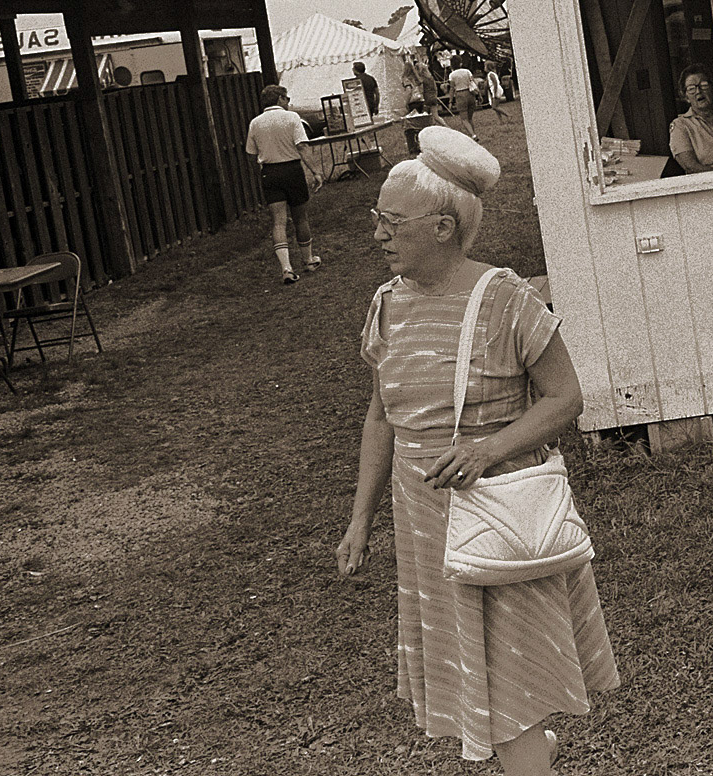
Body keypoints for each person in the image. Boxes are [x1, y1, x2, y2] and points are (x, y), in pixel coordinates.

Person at [336, 126, 618, 773]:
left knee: (513, 673)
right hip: (425, 523)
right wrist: (360, 521)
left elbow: (566, 398)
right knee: (475, 668)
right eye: (377, 218)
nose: (377, 234)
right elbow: (381, 416)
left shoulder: (507, 298)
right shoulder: (387, 306)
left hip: (500, 515)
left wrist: (486, 450)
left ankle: (530, 758)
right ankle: (531, 755)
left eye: (390, 222)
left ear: (442, 227)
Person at [243, 84, 322, 283]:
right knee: (300, 218)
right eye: (286, 98)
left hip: (270, 172)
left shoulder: (255, 123)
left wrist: (260, 174)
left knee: (278, 221)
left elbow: (251, 154)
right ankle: (308, 260)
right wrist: (315, 172)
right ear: (279, 98)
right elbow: (302, 147)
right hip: (292, 170)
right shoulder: (292, 118)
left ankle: (286, 268)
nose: (288, 102)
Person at [448, 65, 479, 139]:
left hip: (460, 94)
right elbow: (473, 83)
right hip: (470, 93)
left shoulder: (452, 75)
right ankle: (473, 133)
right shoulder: (467, 71)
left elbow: (452, 88)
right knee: (470, 118)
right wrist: (479, 94)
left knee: (464, 118)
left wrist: (450, 101)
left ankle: (473, 135)